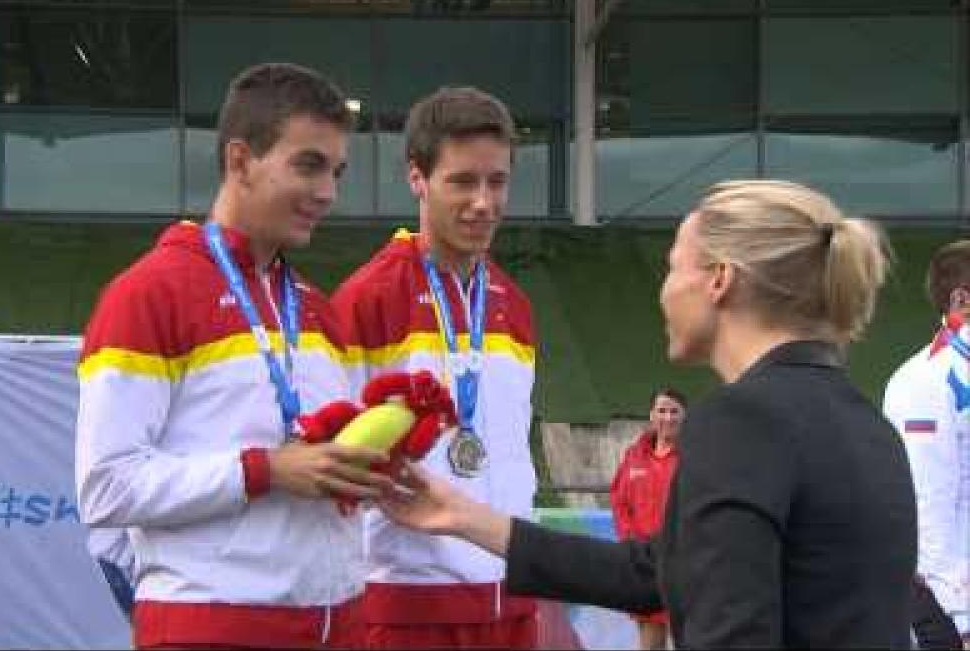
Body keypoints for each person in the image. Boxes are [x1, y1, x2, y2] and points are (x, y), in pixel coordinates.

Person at [378, 179, 919, 648]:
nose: (665, 289)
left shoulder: (742, 421)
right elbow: (654, 571)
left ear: (719, 280)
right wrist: (462, 516)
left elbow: (728, 634)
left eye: (672, 266)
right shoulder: (865, 424)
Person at [74, 62, 393, 649]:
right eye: (308, 166)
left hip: (340, 621)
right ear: (240, 160)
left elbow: (317, 467)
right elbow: (107, 486)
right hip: (213, 625)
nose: (327, 193)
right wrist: (265, 470)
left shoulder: (318, 311)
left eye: (337, 172)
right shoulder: (148, 293)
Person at [331, 86, 539, 649]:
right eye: (463, 181)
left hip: (511, 592)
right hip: (406, 600)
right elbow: (336, 454)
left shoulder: (512, 304)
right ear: (417, 178)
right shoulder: (366, 298)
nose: (483, 202)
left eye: (496, 182)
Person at [883, 239, 970, 648]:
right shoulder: (926, 380)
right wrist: (964, 617)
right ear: (961, 298)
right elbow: (927, 504)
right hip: (948, 605)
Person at [608, 387, 686, 650]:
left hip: (682, 567)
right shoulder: (634, 455)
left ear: (684, 417)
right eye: (662, 410)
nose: (667, 417)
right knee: (650, 646)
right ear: (652, 415)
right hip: (645, 565)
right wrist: (631, 542)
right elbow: (619, 501)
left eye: (674, 411)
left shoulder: (695, 457)